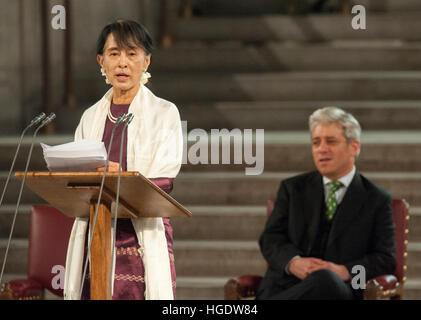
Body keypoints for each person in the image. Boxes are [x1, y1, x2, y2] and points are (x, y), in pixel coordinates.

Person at [63, 20, 183, 300]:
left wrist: (124, 177)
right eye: (114, 53)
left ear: (146, 60)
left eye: (132, 54)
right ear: (100, 61)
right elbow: (76, 180)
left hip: (140, 235)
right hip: (96, 231)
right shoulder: (91, 116)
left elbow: (164, 182)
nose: (122, 63)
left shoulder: (164, 113)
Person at [256, 106, 395, 300]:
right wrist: (293, 262)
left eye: (331, 141)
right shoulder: (292, 189)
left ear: (353, 147)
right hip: (286, 286)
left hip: (340, 289)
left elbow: (385, 260)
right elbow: (270, 238)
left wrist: (344, 271)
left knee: (326, 281)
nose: (322, 149)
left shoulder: (376, 200)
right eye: (316, 142)